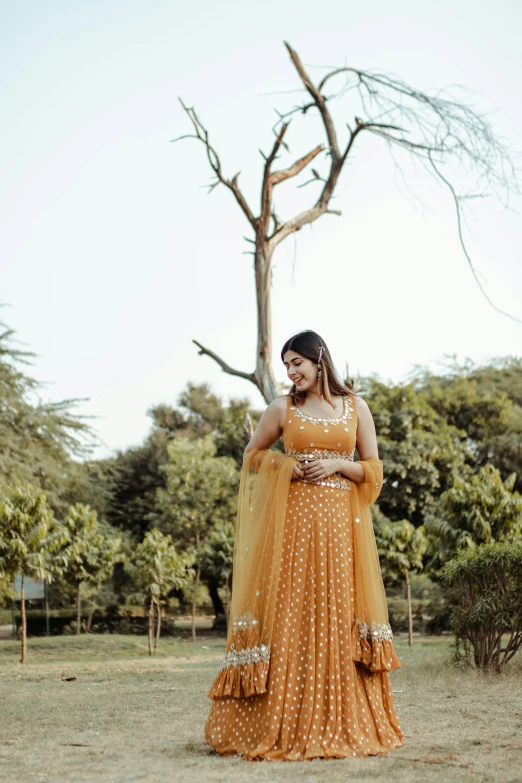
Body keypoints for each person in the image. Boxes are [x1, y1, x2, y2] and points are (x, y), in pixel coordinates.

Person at [204, 330, 404, 761]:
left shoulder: (356, 408)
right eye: (287, 366)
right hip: (293, 528)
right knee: (291, 611)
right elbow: (252, 455)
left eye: (297, 363)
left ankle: (344, 718)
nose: (291, 372)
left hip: (341, 530)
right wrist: (287, 467)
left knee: (338, 610)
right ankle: (282, 719)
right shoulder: (282, 409)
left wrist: (338, 464)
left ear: (319, 360)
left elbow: (373, 470)